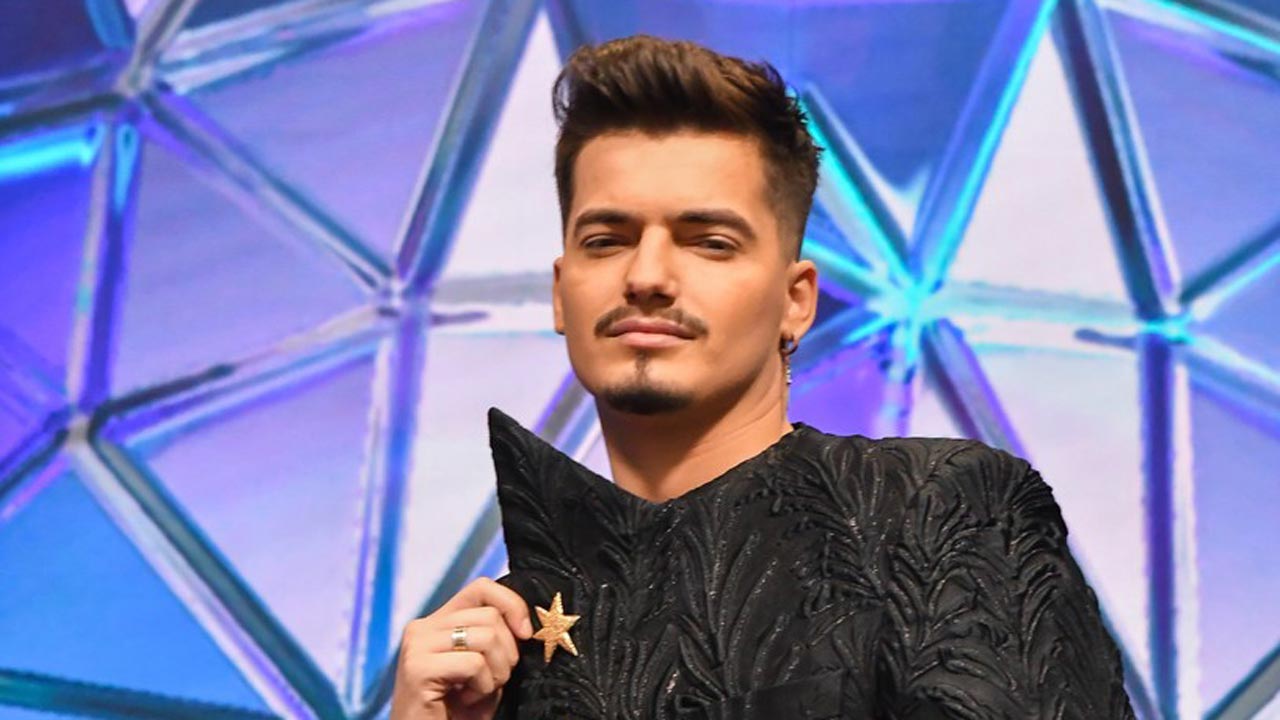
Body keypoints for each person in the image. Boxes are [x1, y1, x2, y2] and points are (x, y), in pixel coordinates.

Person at [389, 36, 1135, 719]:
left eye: (709, 242)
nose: (647, 276)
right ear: (562, 293)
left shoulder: (938, 511)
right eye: (607, 239)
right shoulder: (504, 652)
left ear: (795, 300)